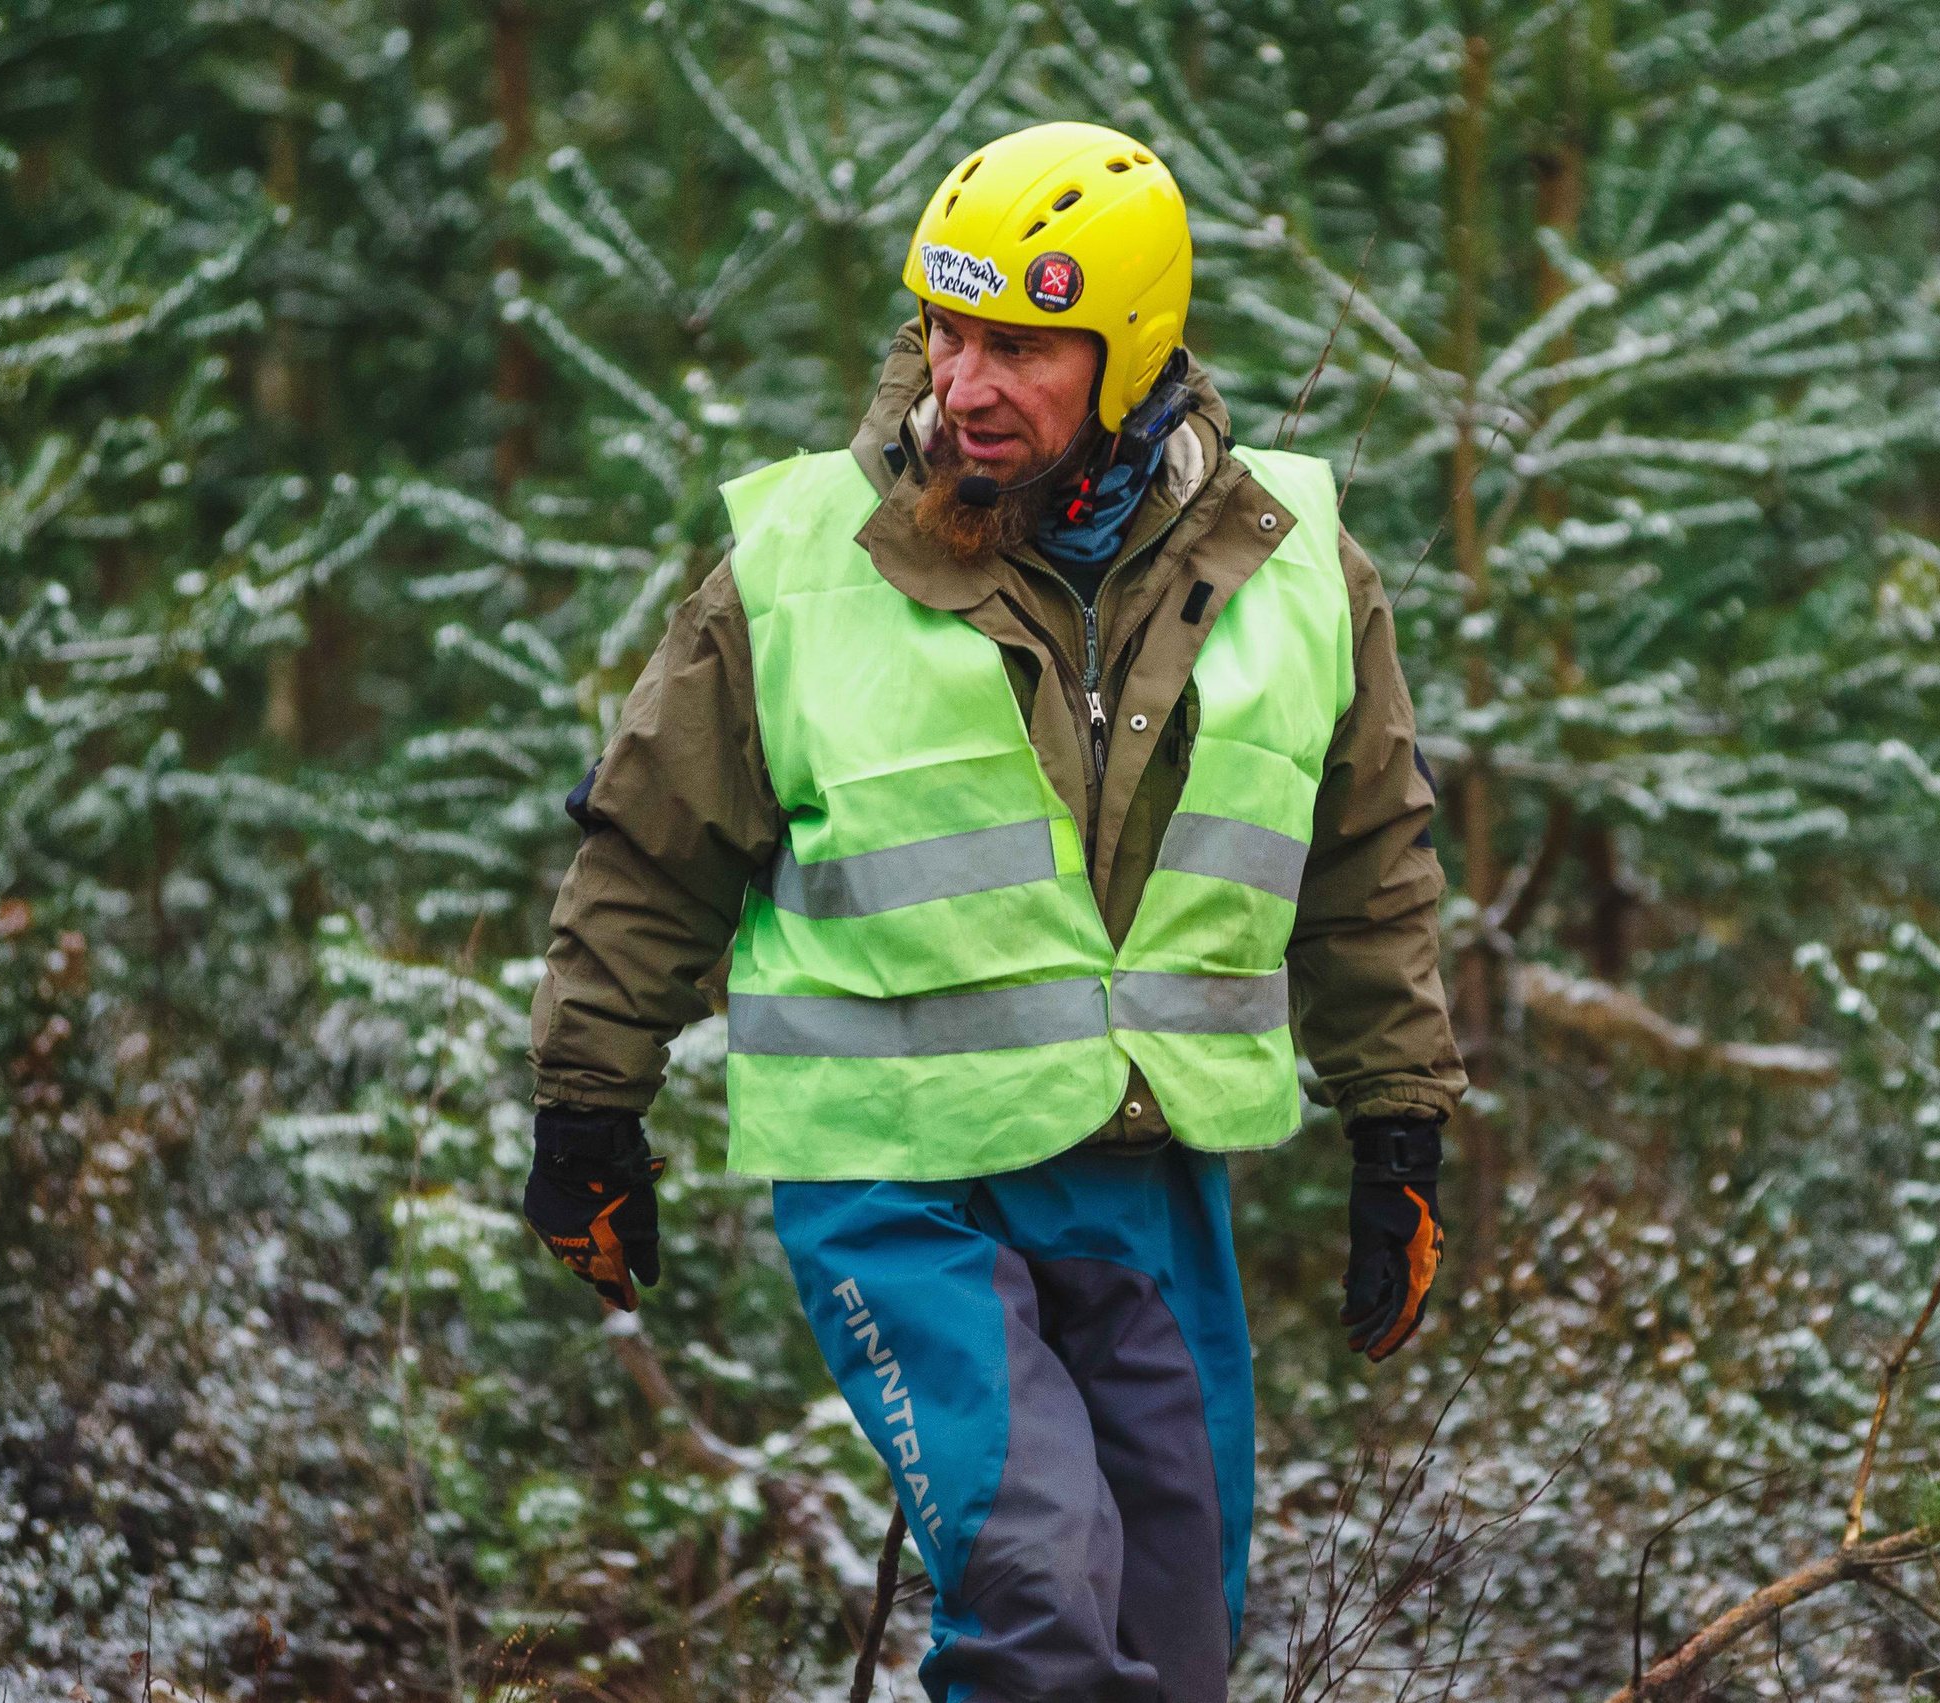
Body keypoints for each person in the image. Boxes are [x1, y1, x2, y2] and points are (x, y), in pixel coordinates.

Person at [519, 119, 1464, 1703]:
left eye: (1019, 346)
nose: (963, 382)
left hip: (1141, 1179)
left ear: (1132, 352)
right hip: (893, 1187)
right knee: (1036, 1581)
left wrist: (1402, 1129)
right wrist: (585, 1104)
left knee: (1176, 1640)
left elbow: (1369, 865)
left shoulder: (1299, 570)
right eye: (946, 330)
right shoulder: (803, 562)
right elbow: (651, 845)